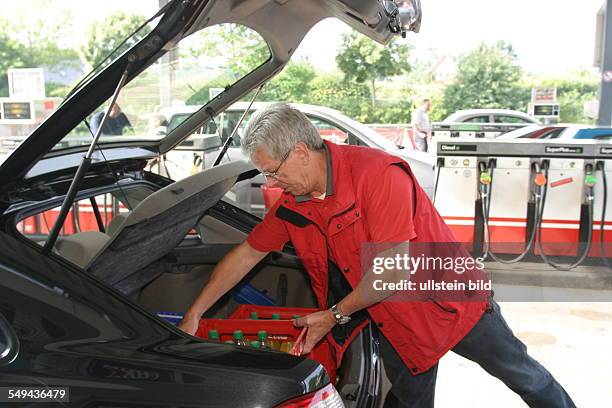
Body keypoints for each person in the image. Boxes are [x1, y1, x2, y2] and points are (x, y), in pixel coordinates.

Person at [178, 103, 575, 408]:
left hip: (450, 301)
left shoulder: (378, 175)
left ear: (301, 151)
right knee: (411, 402)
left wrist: (333, 316)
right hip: (393, 319)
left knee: (524, 377)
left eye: (273, 170)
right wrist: (195, 312)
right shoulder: (294, 202)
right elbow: (247, 254)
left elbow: (392, 273)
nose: (270, 181)